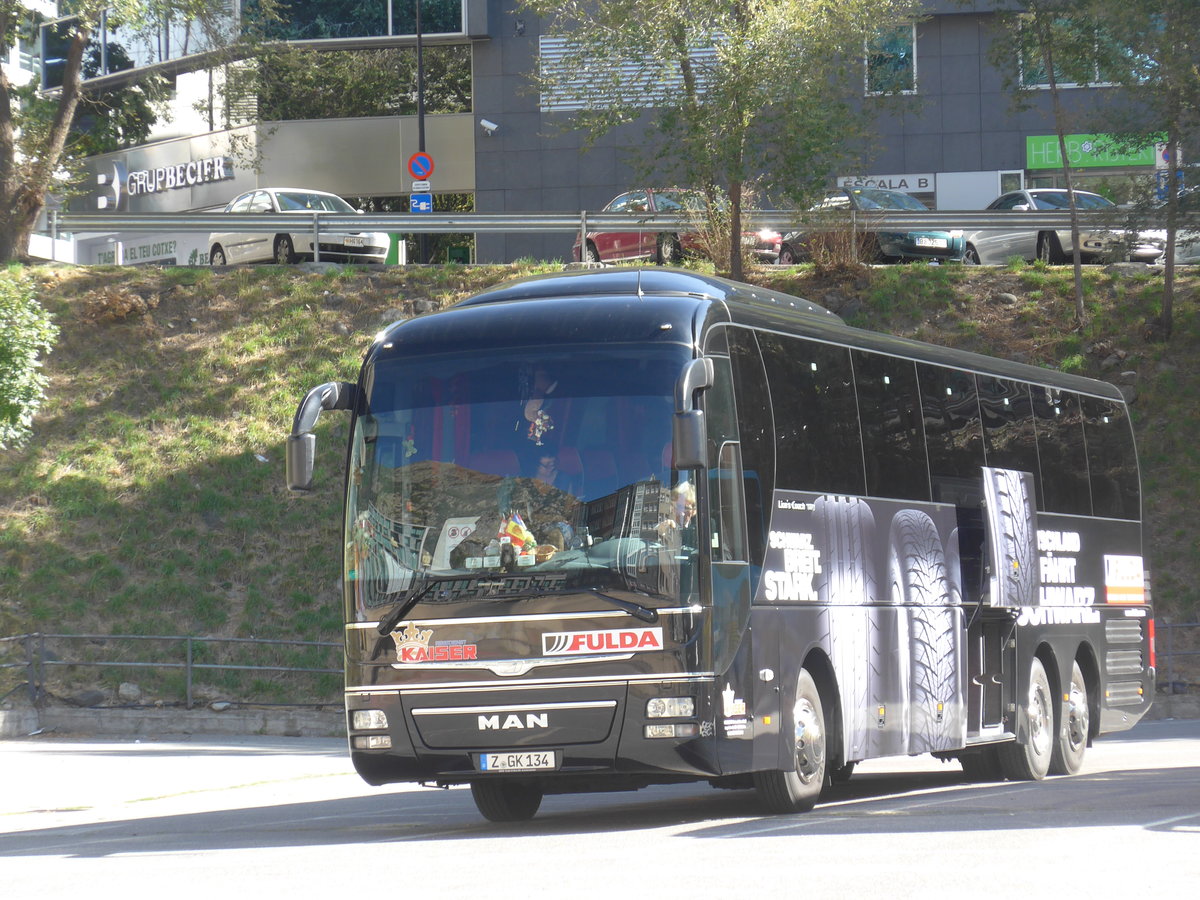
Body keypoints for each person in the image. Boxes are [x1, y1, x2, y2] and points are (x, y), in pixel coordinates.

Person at [656, 480, 697, 549]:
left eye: (685, 508)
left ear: (694, 511)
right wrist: (661, 533)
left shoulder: (699, 530)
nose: (680, 512)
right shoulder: (668, 526)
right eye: (676, 507)